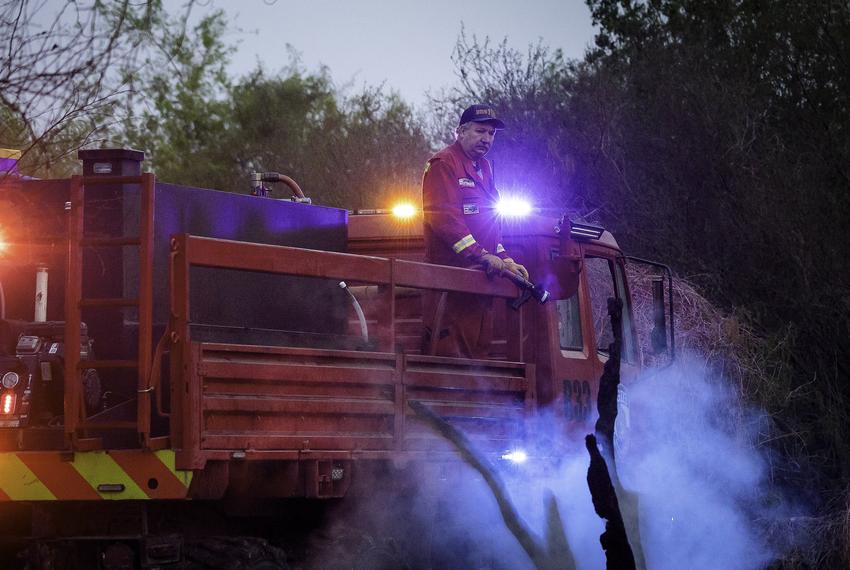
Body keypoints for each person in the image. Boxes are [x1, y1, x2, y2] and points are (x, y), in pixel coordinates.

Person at [421, 104, 528, 358]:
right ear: (460, 131)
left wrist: (506, 259)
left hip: (480, 285)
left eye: (491, 134)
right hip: (453, 284)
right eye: (480, 131)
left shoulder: (485, 168)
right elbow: (445, 220)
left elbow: (490, 226)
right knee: (452, 364)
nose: (487, 139)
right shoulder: (443, 164)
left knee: (478, 363)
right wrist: (480, 255)